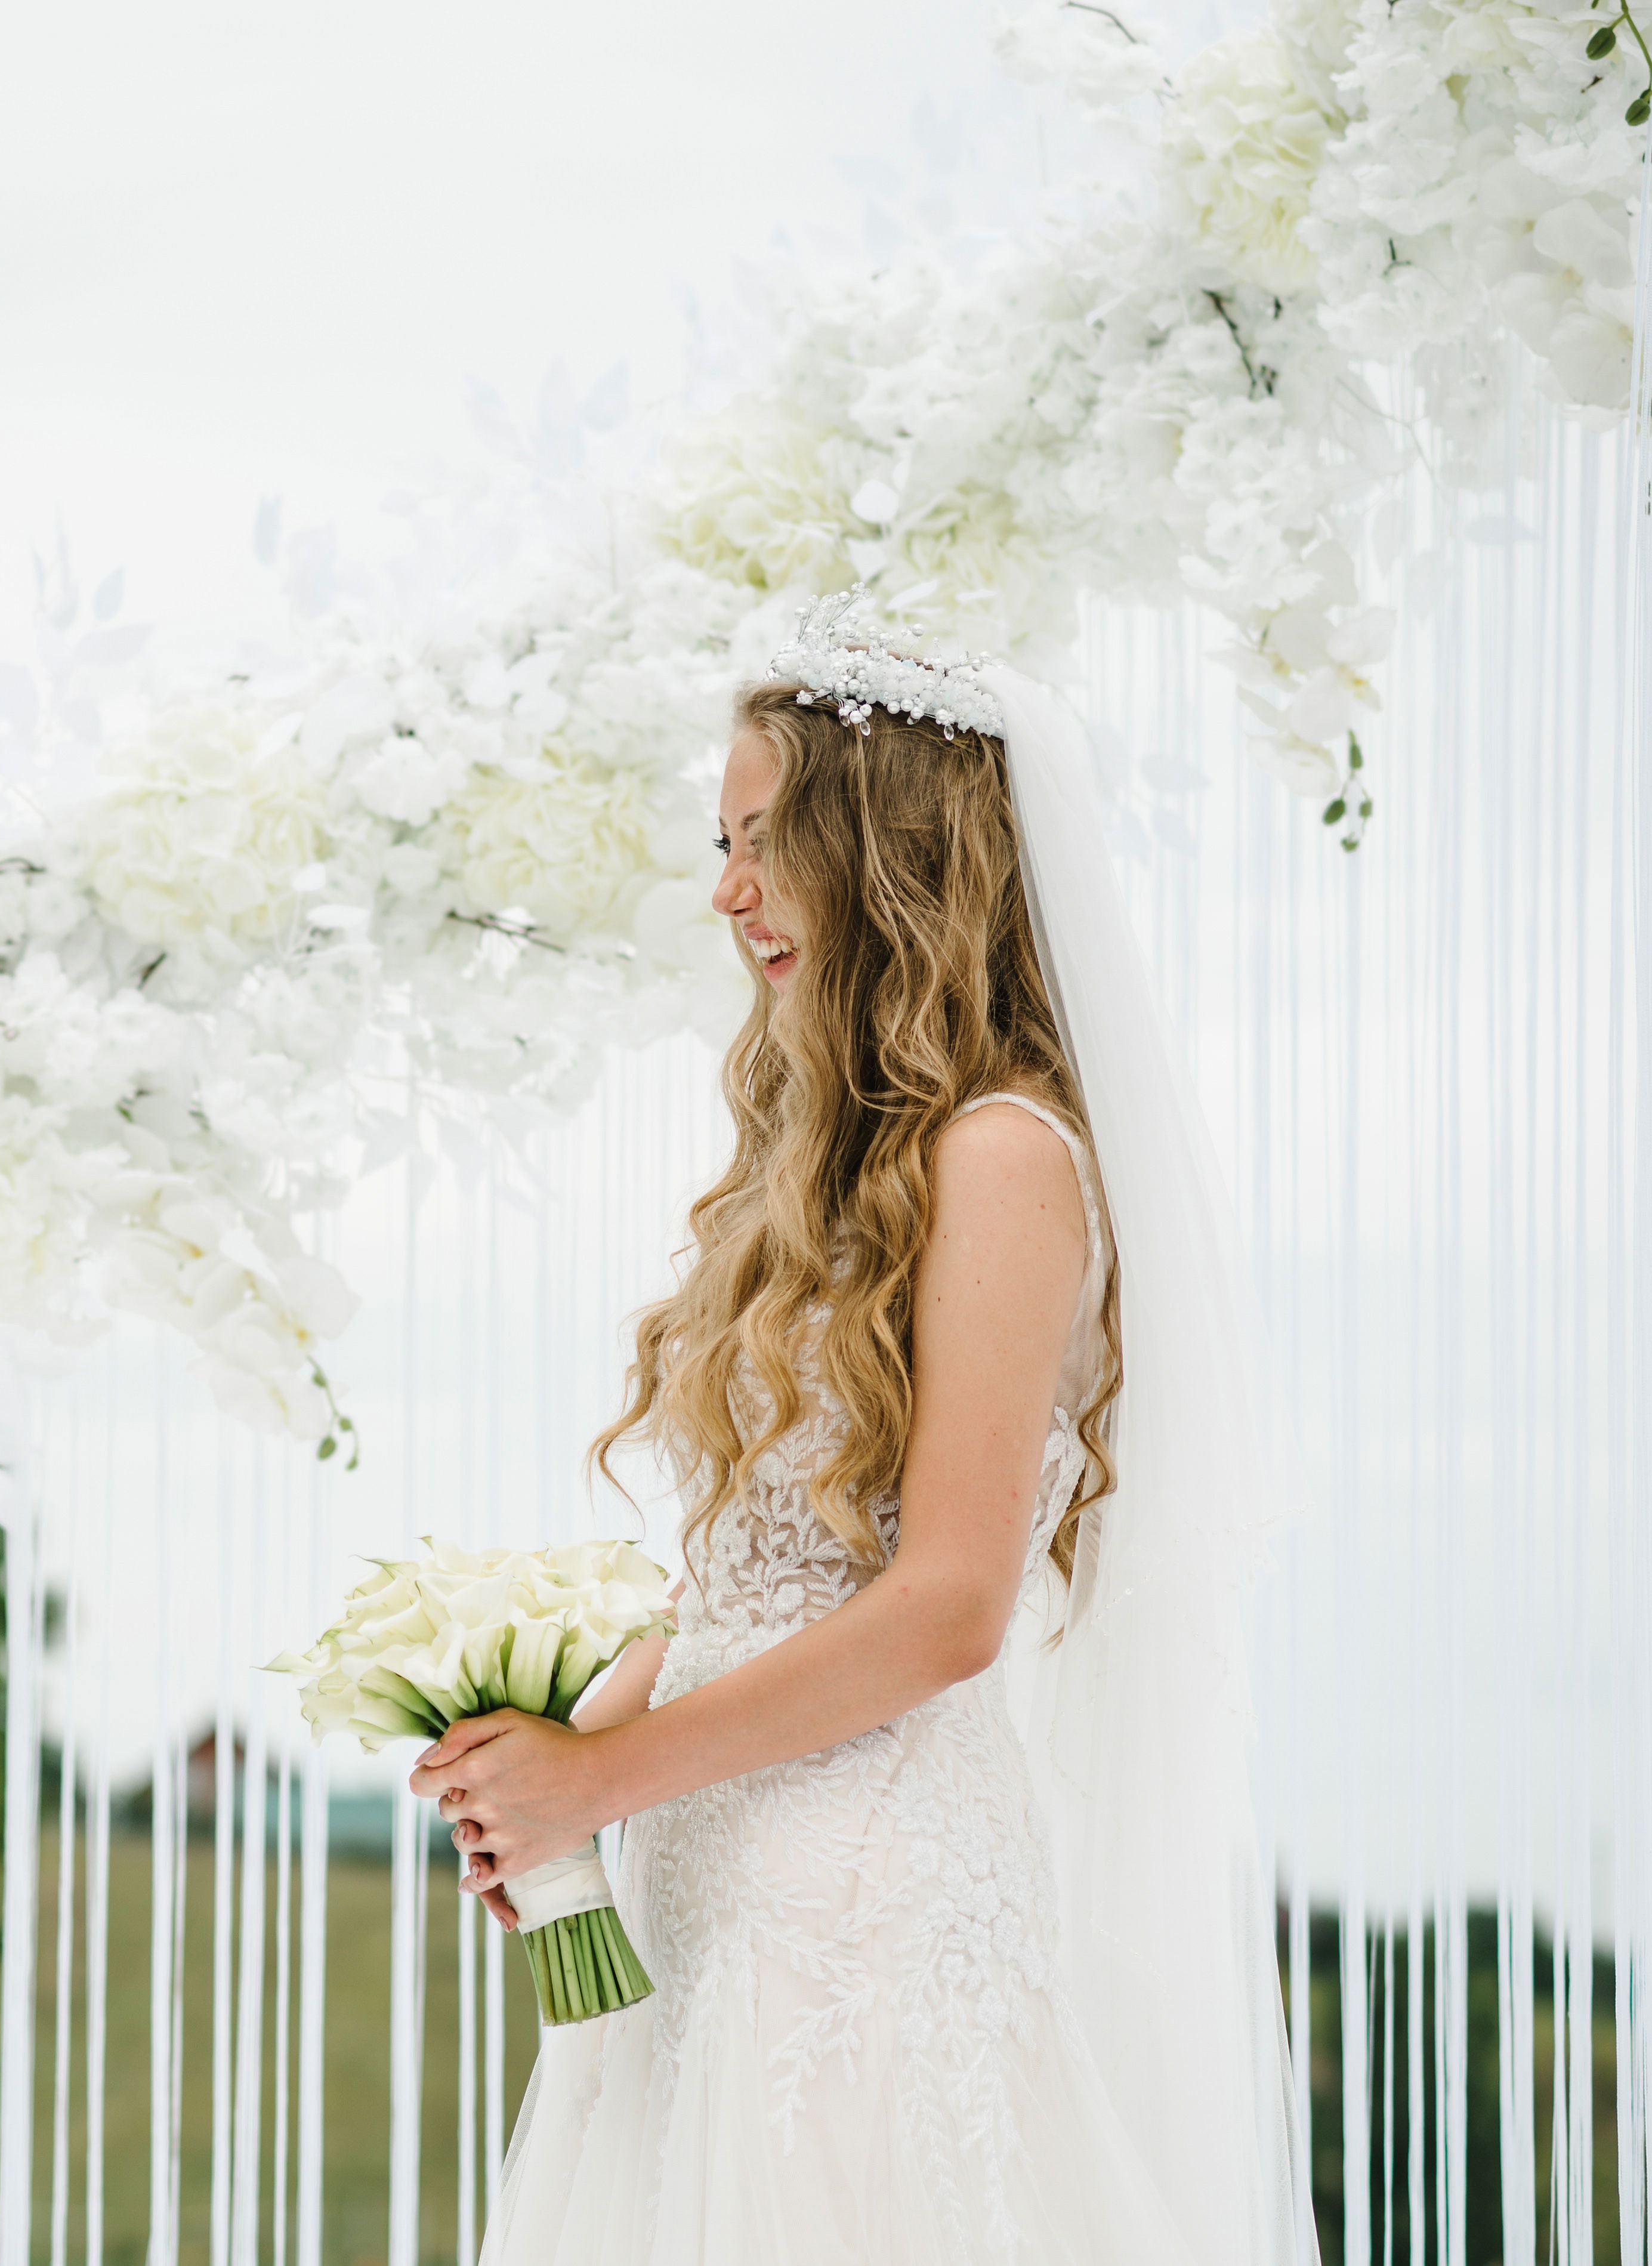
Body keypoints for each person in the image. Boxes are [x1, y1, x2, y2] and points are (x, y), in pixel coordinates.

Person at [417, 607, 1313, 2264]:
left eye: (764, 842)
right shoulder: (821, 1171)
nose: (725, 891)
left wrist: (609, 1770)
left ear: (883, 842)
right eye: (719, 844)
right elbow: (766, 1570)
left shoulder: (1003, 1154)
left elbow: (946, 1606)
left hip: (864, 1907)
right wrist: (546, 1762)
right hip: (717, 1877)